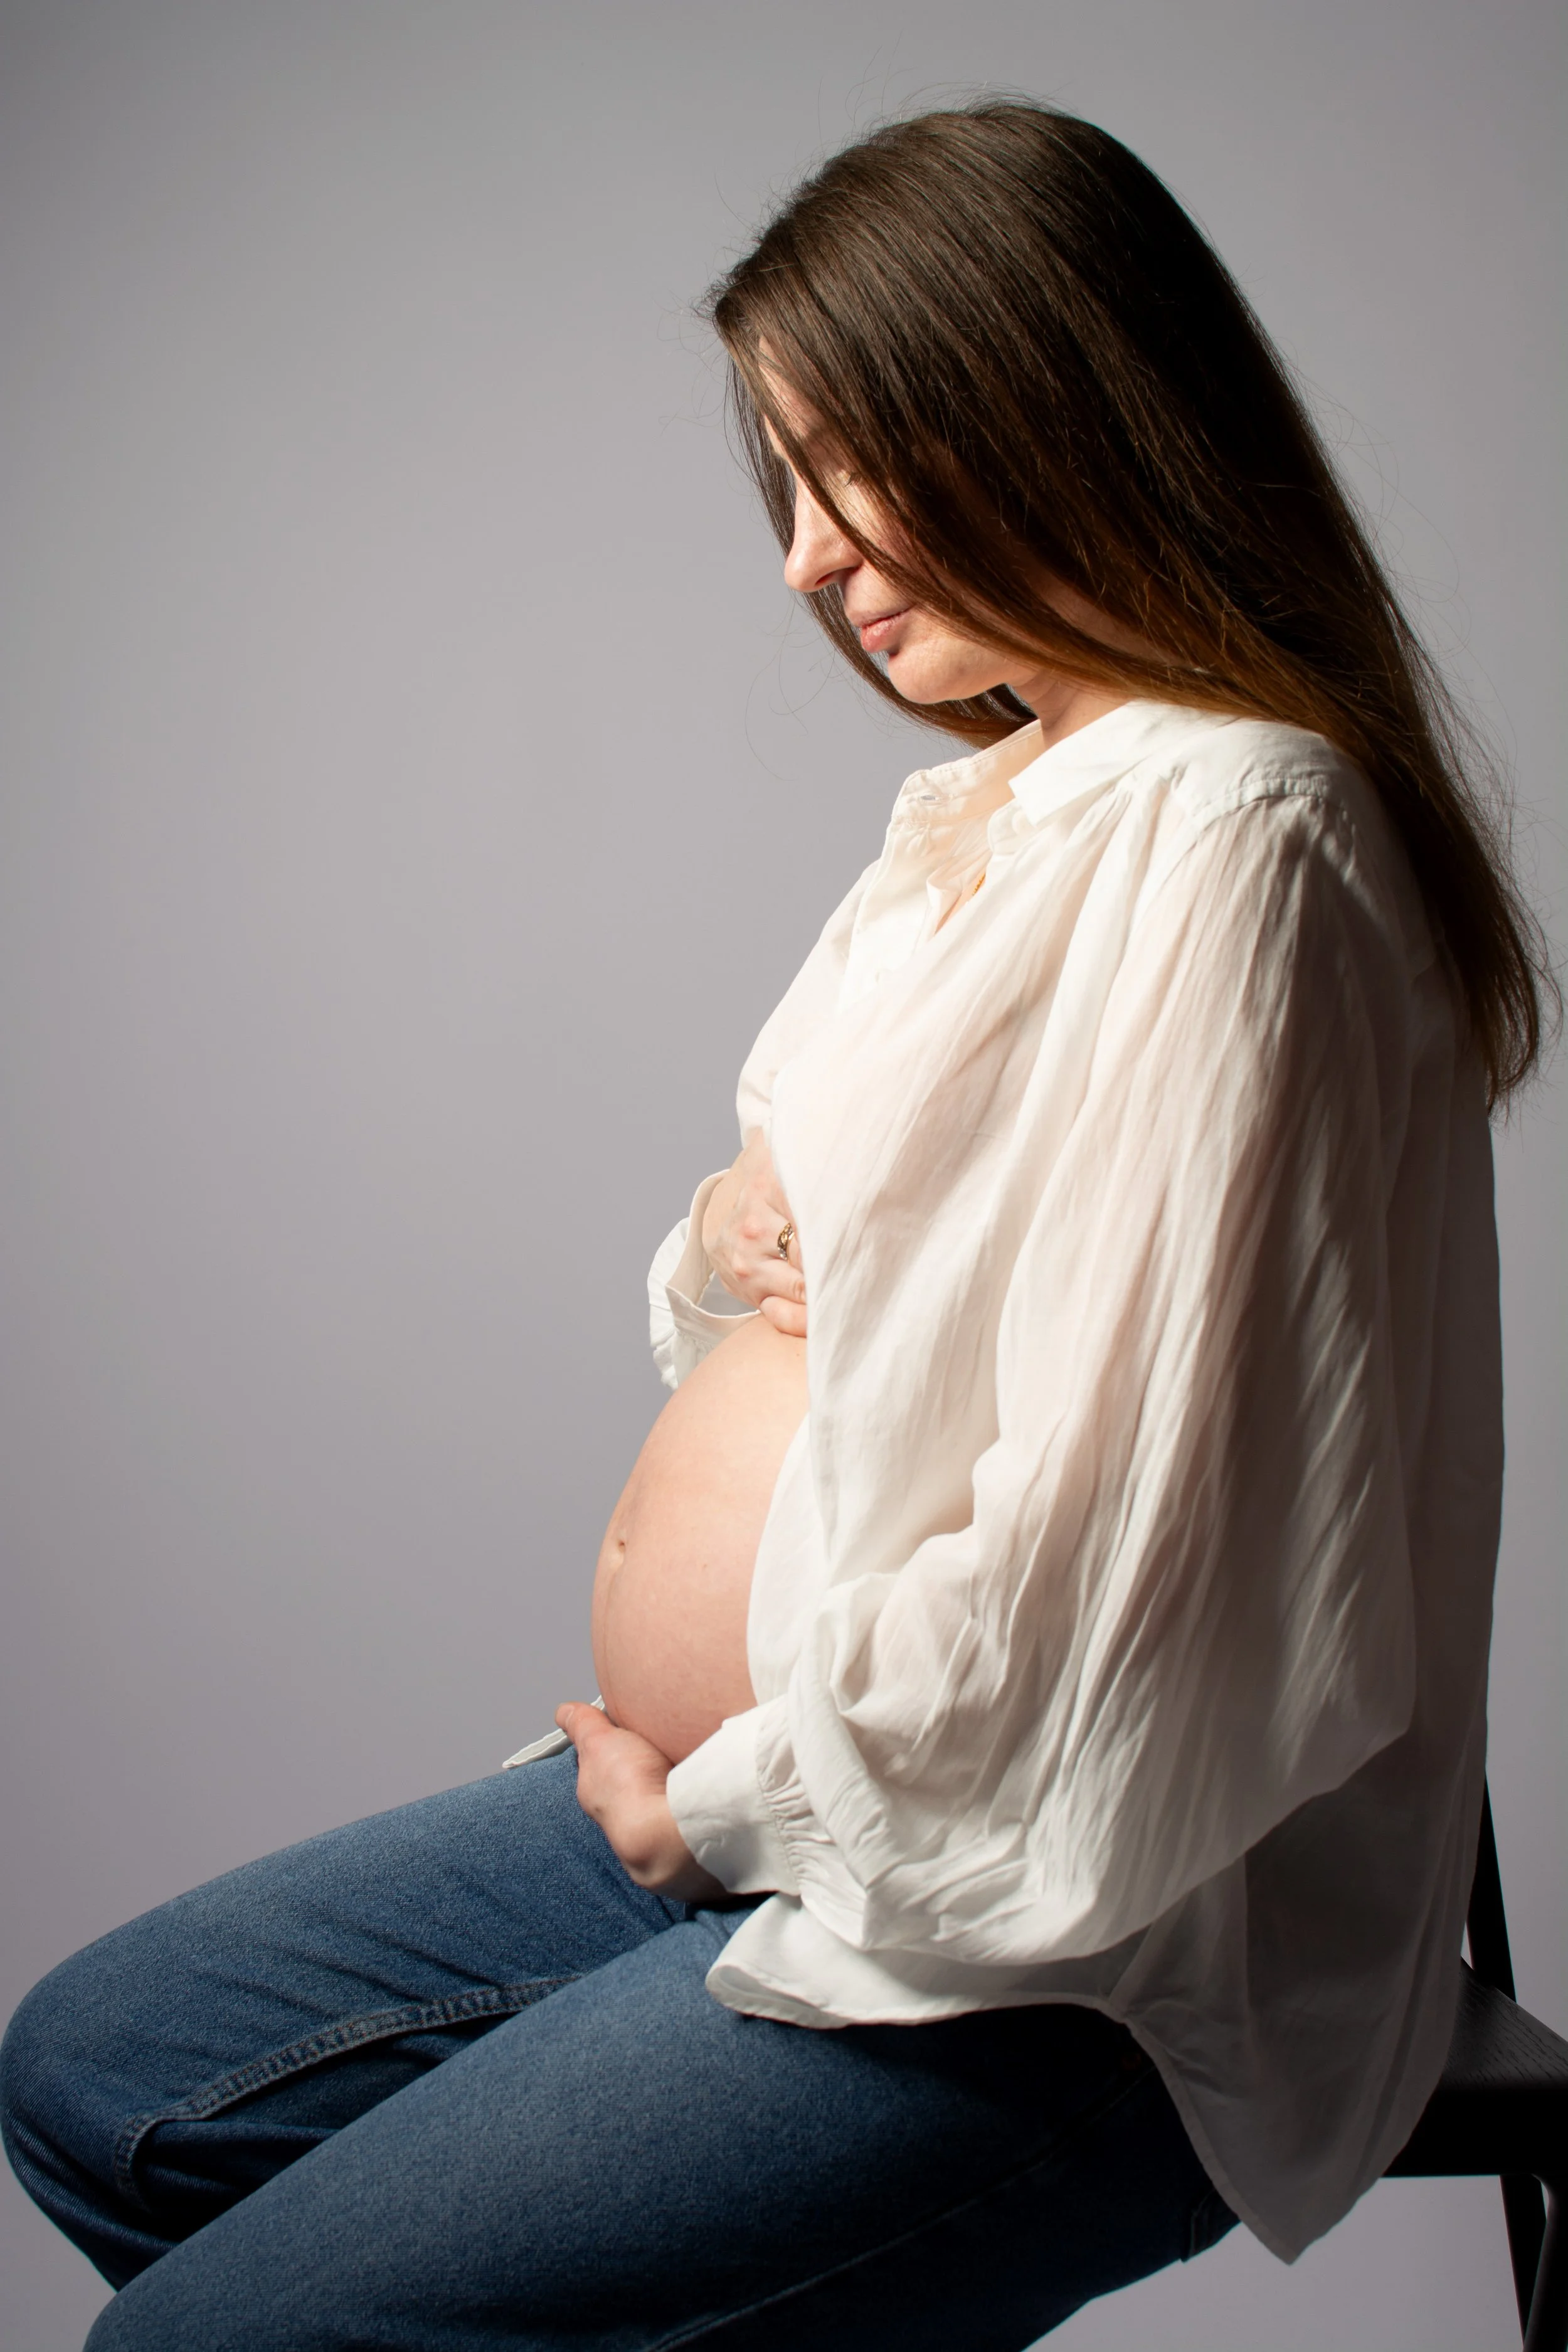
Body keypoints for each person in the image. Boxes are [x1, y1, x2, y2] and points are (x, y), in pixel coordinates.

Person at [1, 98, 1553, 2352]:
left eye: (858, 461)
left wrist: (705, 1812)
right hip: (815, 1803)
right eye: (783, 484)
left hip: (1048, 1931)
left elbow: (1126, 1587)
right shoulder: (991, 812)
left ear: (1048, 393)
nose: (811, 556)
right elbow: (787, 1297)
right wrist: (736, 1231)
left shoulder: (1235, 829)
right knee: (101, 2081)